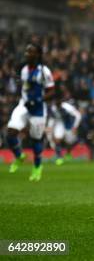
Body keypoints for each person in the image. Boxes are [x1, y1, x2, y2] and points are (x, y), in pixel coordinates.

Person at [6, 44, 55, 181]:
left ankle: (37, 167)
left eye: (30, 52)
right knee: (10, 132)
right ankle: (19, 156)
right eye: (26, 51)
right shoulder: (24, 70)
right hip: (24, 106)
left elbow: (52, 91)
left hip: (38, 110)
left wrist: (38, 99)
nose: (27, 54)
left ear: (37, 54)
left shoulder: (44, 71)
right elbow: (26, 87)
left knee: (36, 140)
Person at [46, 93, 82, 165]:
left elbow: (78, 115)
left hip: (69, 124)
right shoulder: (53, 107)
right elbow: (52, 118)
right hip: (60, 124)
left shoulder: (67, 107)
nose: (55, 102)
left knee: (69, 142)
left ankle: (68, 153)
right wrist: (49, 126)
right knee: (57, 139)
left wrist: (75, 126)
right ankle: (59, 157)